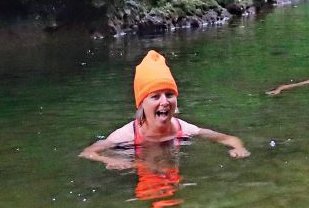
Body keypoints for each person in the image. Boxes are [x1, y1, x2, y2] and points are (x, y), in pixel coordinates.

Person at [80, 50, 249, 170]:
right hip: (141, 174)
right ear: (142, 104)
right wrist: (109, 160)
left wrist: (238, 148)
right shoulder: (125, 136)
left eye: (169, 94)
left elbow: (228, 138)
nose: (164, 102)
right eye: (155, 97)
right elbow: (87, 153)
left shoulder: (184, 129)